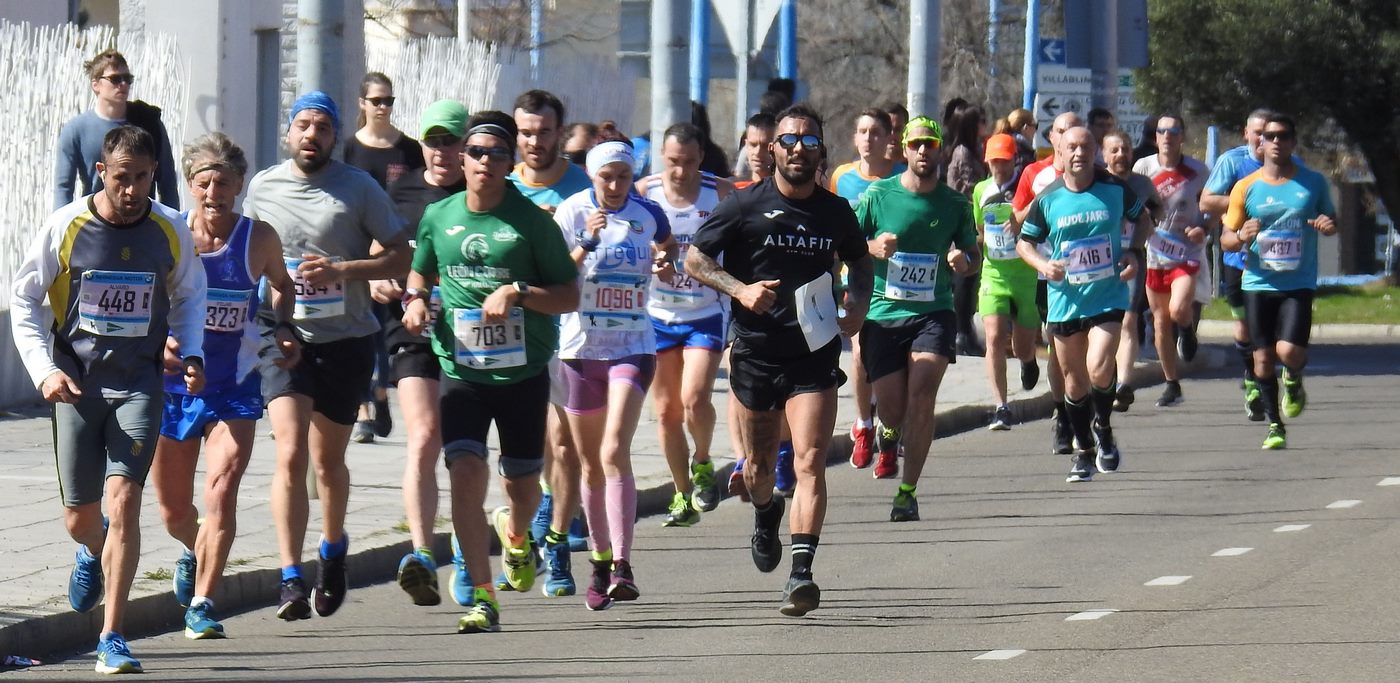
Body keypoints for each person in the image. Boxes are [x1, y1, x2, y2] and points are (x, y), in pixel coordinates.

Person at [12, 125, 207, 673]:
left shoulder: (169, 228)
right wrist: (44, 371)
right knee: (81, 517)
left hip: (139, 385)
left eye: (143, 178)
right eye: (123, 178)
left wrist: (190, 354)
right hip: (76, 386)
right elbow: (25, 299)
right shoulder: (66, 225)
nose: (133, 189)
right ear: (102, 172)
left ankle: (112, 636)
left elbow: (191, 295)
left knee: (124, 501)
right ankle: (89, 549)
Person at [687, 104, 873, 617]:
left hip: (813, 353)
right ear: (772, 150)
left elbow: (861, 261)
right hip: (756, 354)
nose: (798, 149)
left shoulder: (835, 212)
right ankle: (766, 513)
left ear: (820, 153)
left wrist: (857, 302)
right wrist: (740, 289)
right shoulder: (745, 207)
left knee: (811, 460)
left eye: (809, 142)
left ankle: (801, 574)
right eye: (789, 141)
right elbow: (695, 258)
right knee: (759, 472)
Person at [402, 110, 580, 633]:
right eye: (476, 152)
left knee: (523, 488)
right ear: (462, 158)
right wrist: (415, 300)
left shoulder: (531, 224)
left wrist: (519, 291)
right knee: (464, 473)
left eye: (496, 154)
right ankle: (483, 596)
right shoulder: (440, 216)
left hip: (522, 372)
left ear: (510, 163)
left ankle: (518, 535)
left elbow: (569, 296)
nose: (484, 161)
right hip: (462, 367)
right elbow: (420, 269)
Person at [242, 91, 412, 621]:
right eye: (303, 125)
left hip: (346, 338)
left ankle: (332, 549)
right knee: (290, 452)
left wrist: (342, 271)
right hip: (281, 335)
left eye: (322, 127)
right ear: (288, 134)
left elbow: (400, 254)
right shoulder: (263, 188)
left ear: (335, 136)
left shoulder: (357, 188)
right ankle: (290, 576)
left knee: (327, 460)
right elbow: (241, 255)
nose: (311, 134)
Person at [147, 132, 300, 639]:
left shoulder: (258, 238)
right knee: (173, 509)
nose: (215, 193)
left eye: (225, 183)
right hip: (175, 387)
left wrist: (282, 326)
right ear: (191, 186)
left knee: (221, 490)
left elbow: (283, 283)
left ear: (239, 187)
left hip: (235, 385)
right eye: (205, 183)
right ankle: (193, 547)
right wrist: (162, 343)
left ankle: (204, 602)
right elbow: (145, 296)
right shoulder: (171, 234)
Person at [553, 140, 678, 610]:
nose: (615, 185)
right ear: (592, 176)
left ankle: (623, 564)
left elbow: (666, 246)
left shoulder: (647, 214)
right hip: (581, 348)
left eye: (623, 176)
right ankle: (600, 561)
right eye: (606, 176)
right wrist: (585, 242)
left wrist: (665, 263)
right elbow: (555, 276)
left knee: (612, 450)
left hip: (633, 345)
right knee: (589, 464)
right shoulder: (570, 213)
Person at [369, 100, 469, 608]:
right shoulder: (400, 189)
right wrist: (384, 281)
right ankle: (424, 554)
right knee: (425, 434)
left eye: (451, 141)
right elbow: (377, 250)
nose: (441, 152)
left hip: (473, 335)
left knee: (464, 446)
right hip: (411, 328)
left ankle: (470, 554)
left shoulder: (482, 193)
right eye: (433, 141)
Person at [857, 116, 979, 515]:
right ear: (903, 149)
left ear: (941, 149)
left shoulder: (955, 204)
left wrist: (965, 261)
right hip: (883, 313)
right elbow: (845, 244)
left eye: (931, 143)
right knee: (892, 407)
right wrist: (872, 247)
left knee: (923, 391)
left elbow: (973, 255)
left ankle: (907, 491)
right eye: (917, 144)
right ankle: (888, 434)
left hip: (933, 312)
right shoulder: (878, 196)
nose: (924, 151)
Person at [1016, 127, 1151, 483]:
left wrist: (1133, 253)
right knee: (1074, 383)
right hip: (1064, 299)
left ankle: (1103, 427)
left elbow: (1145, 221)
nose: (1079, 152)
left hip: (1107, 296)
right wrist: (1044, 265)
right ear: (1059, 150)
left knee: (1098, 366)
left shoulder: (1114, 188)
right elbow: (1023, 243)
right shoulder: (1048, 198)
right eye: (1071, 146)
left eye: (1086, 146)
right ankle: (1084, 450)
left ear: (1096, 151)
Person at [503, 89, 594, 596]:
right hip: (515, 335)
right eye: (526, 132)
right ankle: (542, 504)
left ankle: (556, 543)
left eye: (544, 132)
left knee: (562, 441)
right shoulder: (505, 189)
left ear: (561, 134)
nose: (535, 142)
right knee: (532, 443)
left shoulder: (583, 188)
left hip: (572, 333)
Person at [1220, 114, 1336, 450]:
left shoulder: (1312, 183)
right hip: (1257, 281)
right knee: (1262, 359)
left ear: (1292, 142)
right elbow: (1227, 237)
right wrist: (1241, 235)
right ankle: (1274, 425)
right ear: (1259, 142)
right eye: (1269, 136)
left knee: (1290, 351)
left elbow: (1331, 219)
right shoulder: (1246, 186)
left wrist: (1329, 225)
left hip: (1298, 281)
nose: (1275, 142)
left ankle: (1294, 378)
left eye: (1282, 136)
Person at [637, 124, 733, 527]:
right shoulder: (644, 193)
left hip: (705, 311)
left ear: (700, 159)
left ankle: (704, 460)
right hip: (658, 314)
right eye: (673, 162)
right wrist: (652, 260)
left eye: (689, 162)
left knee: (694, 398)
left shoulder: (722, 192)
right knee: (666, 411)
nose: (680, 171)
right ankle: (680, 493)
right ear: (662, 156)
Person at [343, 72, 422, 444]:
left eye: (388, 101)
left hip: (398, 252)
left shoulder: (408, 149)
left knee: (388, 334)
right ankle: (363, 408)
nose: (383, 107)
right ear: (362, 103)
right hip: (359, 253)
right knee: (361, 330)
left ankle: (380, 393)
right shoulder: (350, 150)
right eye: (376, 100)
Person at [1200, 109, 1280, 422]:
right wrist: (1247, 200)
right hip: (1238, 255)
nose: (1264, 139)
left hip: (1277, 257)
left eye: (1270, 133)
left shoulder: (1288, 164)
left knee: (1270, 325)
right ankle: (1251, 379)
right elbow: (1207, 201)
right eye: (1258, 132)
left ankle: (1263, 380)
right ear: (1246, 133)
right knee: (1246, 324)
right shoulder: (1232, 162)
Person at [1011, 111, 1082, 456]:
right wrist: (1044, 202)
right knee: (1057, 345)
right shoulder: (1034, 174)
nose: (1069, 137)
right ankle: (1062, 413)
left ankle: (1080, 407)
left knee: (1084, 350)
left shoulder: (1095, 179)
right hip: (1045, 274)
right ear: (1051, 138)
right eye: (1061, 131)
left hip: (1088, 278)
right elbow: (1017, 218)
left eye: (1075, 130)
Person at [829, 107, 897, 472]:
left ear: (889, 139)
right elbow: (832, 230)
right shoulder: (842, 178)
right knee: (857, 355)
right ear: (854, 138)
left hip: (895, 285)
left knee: (888, 362)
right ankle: (864, 425)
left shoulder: (901, 177)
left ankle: (889, 424)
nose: (868, 138)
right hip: (854, 279)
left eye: (875, 132)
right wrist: (866, 249)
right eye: (862, 131)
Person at [1133, 115, 1210, 407]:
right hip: (1156, 251)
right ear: (1156, 137)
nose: (1166, 136)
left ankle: (1187, 330)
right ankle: (1171, 382)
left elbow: (1210, 205)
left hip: (1186, 250)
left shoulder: (1198, 170)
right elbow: (1133, 201)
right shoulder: (1144, 167)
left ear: (1182, 137)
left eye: (1173, 131)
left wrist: (1203, 226)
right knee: (1161, 321)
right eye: (1161, 131)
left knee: (1179, 309)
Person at [54, 49, 179, 210]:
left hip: (143, 219)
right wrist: (62, 226)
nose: (123, 84)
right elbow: (64, 186)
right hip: (95, 219)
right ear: (96, 84)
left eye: (128, 79)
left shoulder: (148, 122)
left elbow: (167, 181)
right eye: (115, 79)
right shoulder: (76, 129)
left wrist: (173, 225)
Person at [975, 133, 1041, 430]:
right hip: (994, 273)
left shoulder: (1025, 188)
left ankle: (1028, 361)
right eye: (994, 162)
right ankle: (1001, 406)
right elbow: (979, 228)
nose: (999, 167)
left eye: (1004, 161)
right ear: (987, 161)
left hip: (1025, 273)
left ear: (1015, 159)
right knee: (994, 337)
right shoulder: (980, 190)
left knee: (1023, 345)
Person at [1101, 130, 1164, 411]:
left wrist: (1153, 221)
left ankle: (1124, 384)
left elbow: (1159, 209)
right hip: (1099, 261)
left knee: (1128, 320)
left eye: (1125, 149)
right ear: (1104, 155)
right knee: (1103, 323)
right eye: (1114, 150)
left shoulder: (1142, 183)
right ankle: (1106, 375)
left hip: (1132, 257)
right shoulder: (1097, 182)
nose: (1121, 155)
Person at [943, 103, 989, 357]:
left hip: (970, 219)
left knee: (970, 279)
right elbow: (971, 189)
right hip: (964, 220)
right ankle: (961, 332)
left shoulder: (972, 150)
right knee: (963, 277)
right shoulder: (963, 153)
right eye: (980, 120)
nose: (985, 123)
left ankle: (966, 330)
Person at [734, 113, 777, 189]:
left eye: (765, 146)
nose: (758, 152)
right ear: (746, 145)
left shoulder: (788, 192)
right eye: (753, 145)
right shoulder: (732, 189)